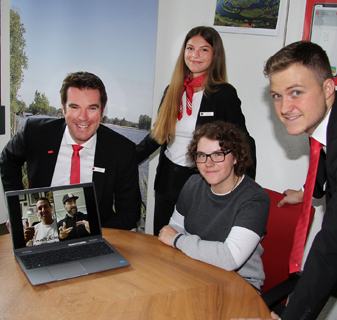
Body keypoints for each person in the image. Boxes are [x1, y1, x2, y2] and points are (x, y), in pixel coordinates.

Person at [232, 41, 337, 320]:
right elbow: (324, 151)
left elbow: (331, 249)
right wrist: (309, 190)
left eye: (296, 93)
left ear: (328, 89)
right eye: (277, 96)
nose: (285, 107)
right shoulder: (326, 120)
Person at [136, 26, 256, 235]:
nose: (195, 55)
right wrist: (124, 159)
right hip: (166, 182)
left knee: (190, 250)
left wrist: (245, 189)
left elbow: (243, 142)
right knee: (161, 244)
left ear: (215, 55)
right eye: (190, 48)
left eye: (204, 50)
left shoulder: (224, 94)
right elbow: (158, 135)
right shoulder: (172, 90)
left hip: (199, 183)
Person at [0, 71, 141, 230]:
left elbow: (129, 212)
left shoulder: (121, 150)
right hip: (42, 232)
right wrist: (16, 209)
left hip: (97, 234)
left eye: (92, 108)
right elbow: (7, 159)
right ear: (63, 109)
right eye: (75, 107)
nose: (83, 117)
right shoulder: (35, 132)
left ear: (102, 111)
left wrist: (96, 237)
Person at [158, 121, 269, 291]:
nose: (208, 163)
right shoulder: (193, 184)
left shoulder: (255, 199)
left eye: (218, 154)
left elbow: (229, 257)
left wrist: (178, 241)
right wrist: (176, 238)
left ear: (236, 157)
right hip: (195, 272)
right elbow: (173, 228)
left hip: (239, 286)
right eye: (202, 155)